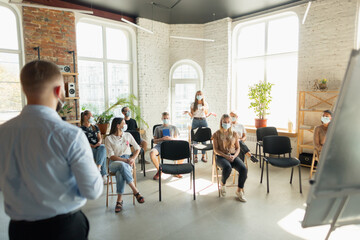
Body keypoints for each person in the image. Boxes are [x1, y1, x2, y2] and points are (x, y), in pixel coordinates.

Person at [0, 60, 103, 240]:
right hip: (63, 229)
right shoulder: (70, 135)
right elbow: (92, 190)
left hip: (19, 230)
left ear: (24, 89)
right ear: (58, 91)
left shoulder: (3, 133)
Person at [105, 117, 145, 213]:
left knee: (120, 172)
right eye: (123, 123)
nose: (125, 125)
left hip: (127, 160)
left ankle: (119, 201)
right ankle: (135, 191)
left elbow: (137, 148)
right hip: (114, 162)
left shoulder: (127, 135)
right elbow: (111, 156)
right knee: (121, 166)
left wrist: (133, 158)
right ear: (118, 126)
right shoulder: (108, 138)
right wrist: (125, 160)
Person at [212, 114, 248, 202]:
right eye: (225, 122)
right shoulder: (216, 134)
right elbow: (215, 150)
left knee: (243, 169)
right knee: (227, 168)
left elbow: (238, 148)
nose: (227, 123)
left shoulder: (234, 134)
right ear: (221, 123)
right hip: (221, 156)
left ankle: (239, 190)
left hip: (233, 156)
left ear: (231, 123)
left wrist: (234, 156)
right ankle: (222, 184)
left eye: (228, 122)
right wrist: (226, 156)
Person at [184, 90, 216, 163]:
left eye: (200, 94)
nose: (199, 96)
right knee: (195, 139)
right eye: (197, 94)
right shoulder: (193, 104)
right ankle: (195, 157)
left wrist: (209, 112)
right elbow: (192, 115)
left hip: (203, 121)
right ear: (196, 96)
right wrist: (188, 113)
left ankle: (203, 156)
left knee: (204, 139)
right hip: (195, 121)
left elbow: (206, 115)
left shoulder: (205, 104)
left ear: (202, 96)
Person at [150, 112, 183, 180]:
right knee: (152, 153)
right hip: (161, 145)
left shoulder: (174, 127)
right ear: (162, 118)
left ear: (169, 118)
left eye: (167, 118)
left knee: (184, 151)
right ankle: (160, 170)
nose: (165, 119)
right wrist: (162, 139)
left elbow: (177, 139)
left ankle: (176, 170)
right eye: (164, 118)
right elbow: (154, 141)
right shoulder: (157, 128)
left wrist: (170, 138)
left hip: (172, 144)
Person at [80, 110, 107, 183]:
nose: (92, 117)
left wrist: (99, 143)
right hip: (89, 149)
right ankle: (103, 175)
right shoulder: (81, 129)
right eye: (91, 115)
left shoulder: (95, 127)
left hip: (98, 148)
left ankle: (98, 168)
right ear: (85, 117)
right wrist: (92, 145)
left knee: (103, 147)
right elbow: (82, 142)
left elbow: (100, 138)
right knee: (103, 155)